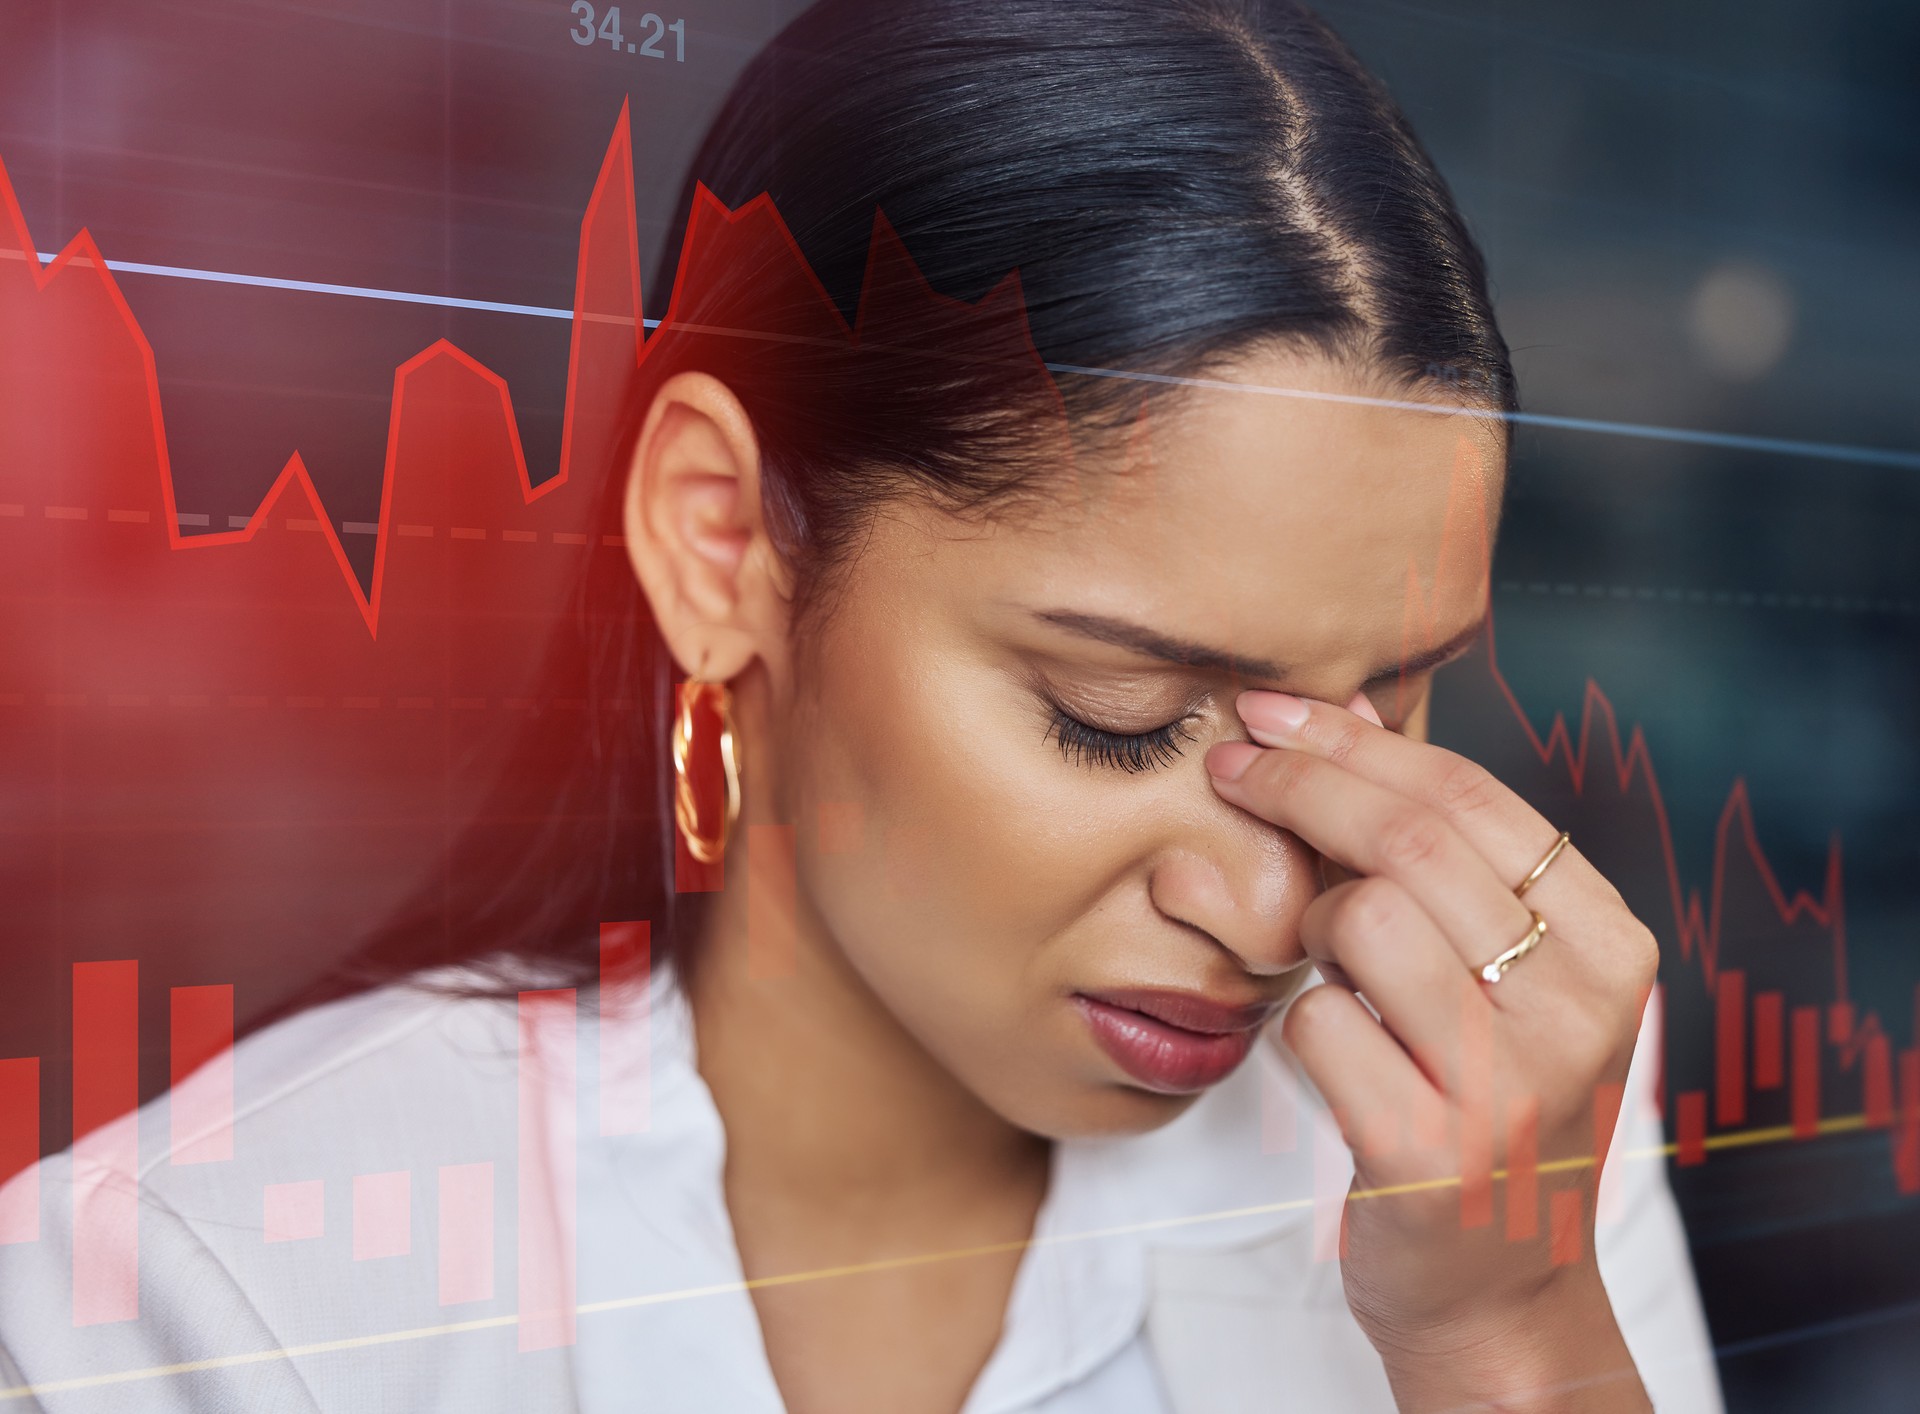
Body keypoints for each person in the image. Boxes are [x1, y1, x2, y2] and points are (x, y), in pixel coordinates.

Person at [0, 0, 1724, 1409]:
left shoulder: (1498, 1120)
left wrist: (1512, 1346)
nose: (1279, 906)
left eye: (1385, 710)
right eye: (1115, 712)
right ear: (722, 538)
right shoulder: (192, 1307)